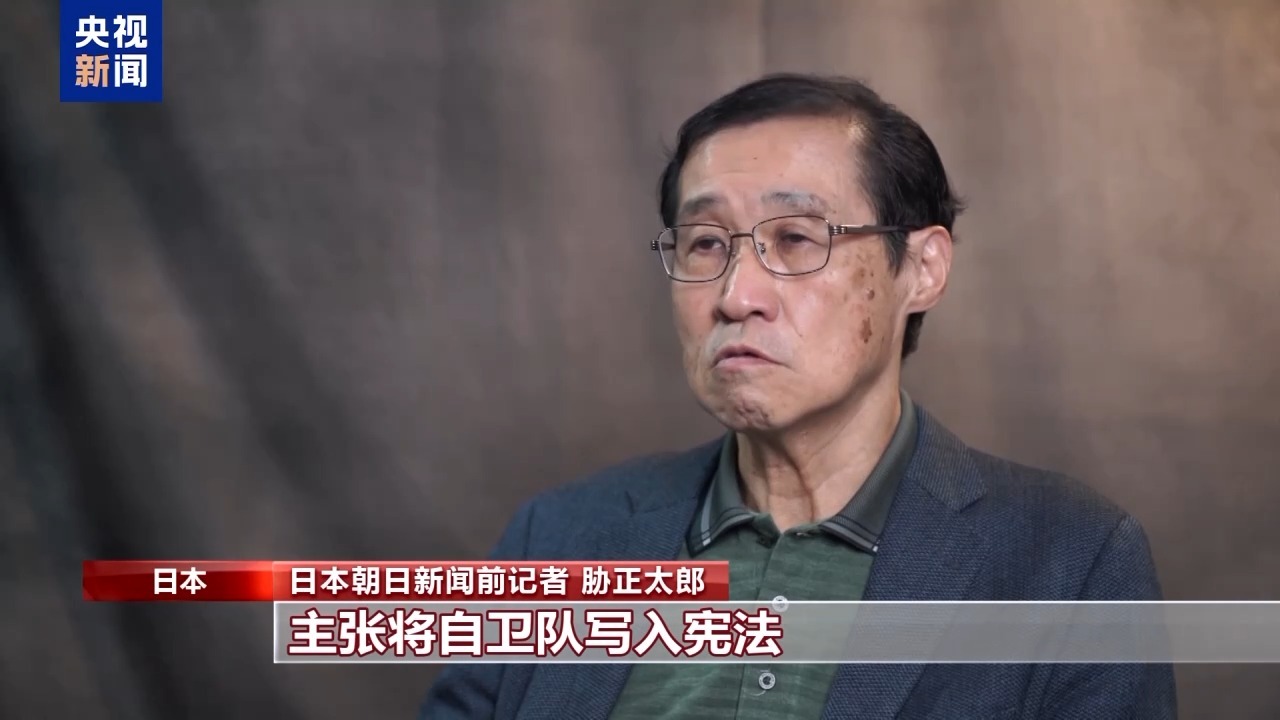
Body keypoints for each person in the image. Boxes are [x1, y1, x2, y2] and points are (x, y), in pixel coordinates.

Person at [421, 73, 1176, 719]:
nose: (735, 295)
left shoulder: (1069, 561)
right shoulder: (557, 538)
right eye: (706, 243)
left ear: (921, 269)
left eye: (796, 239)